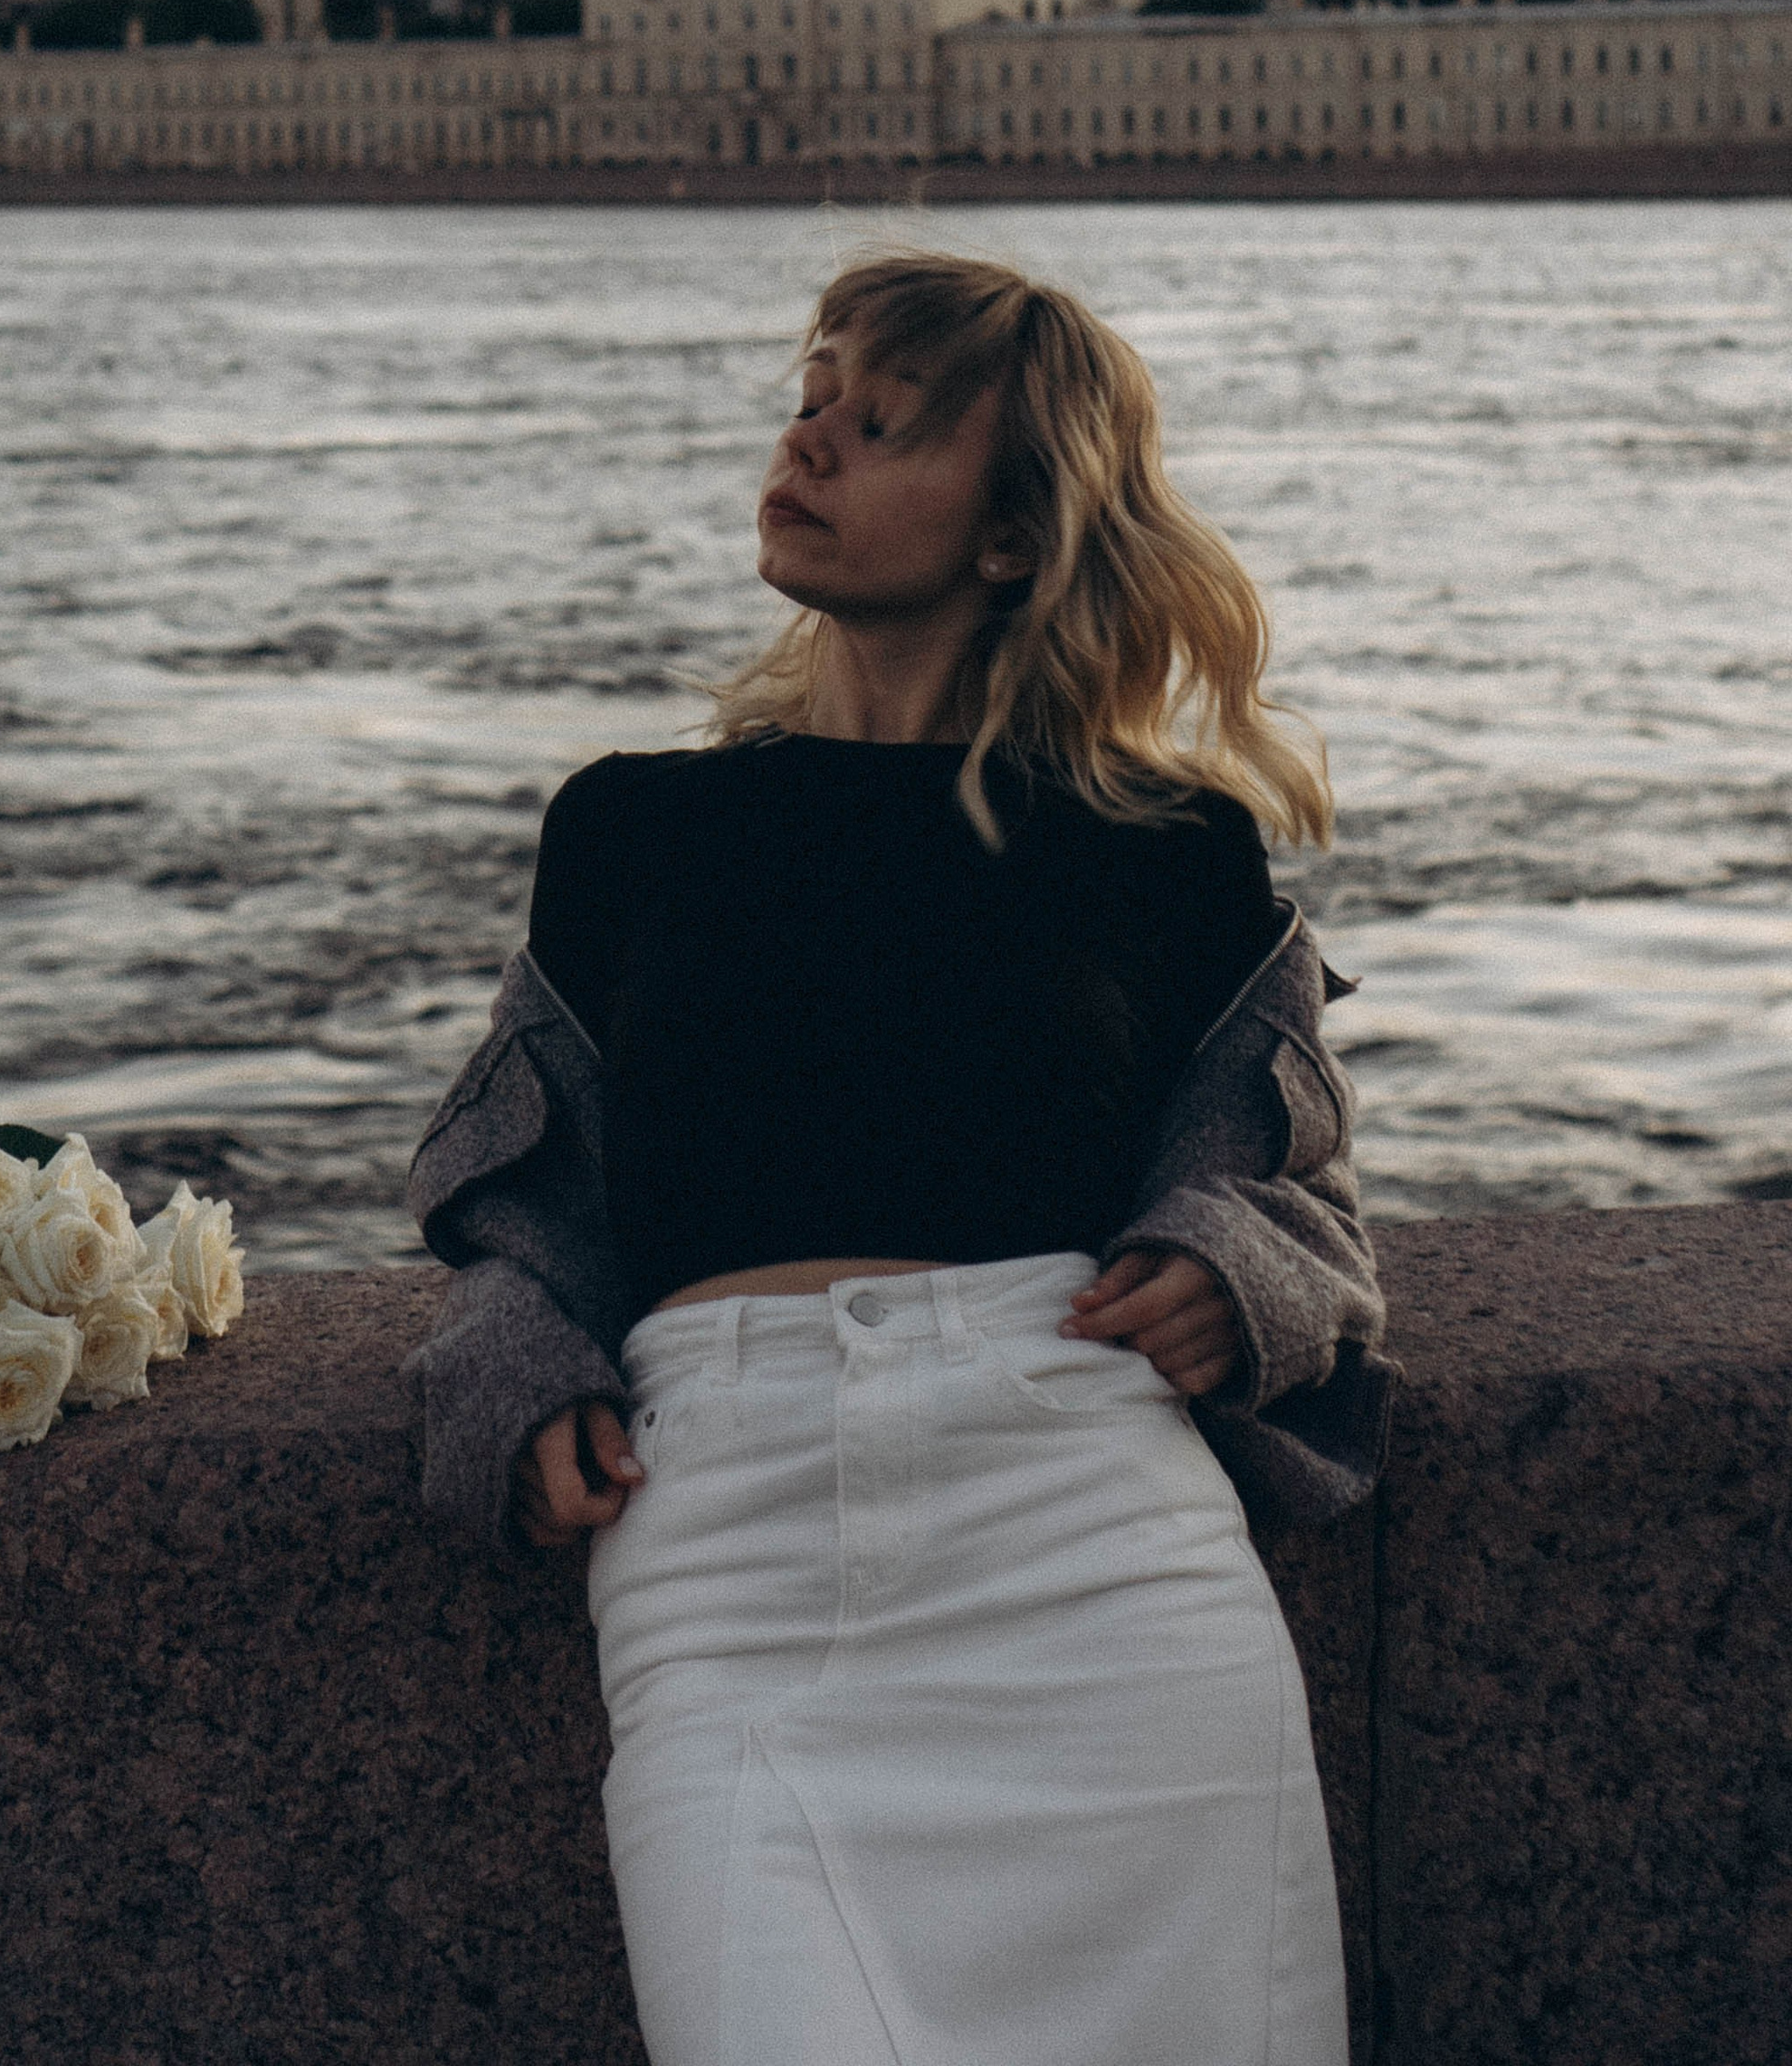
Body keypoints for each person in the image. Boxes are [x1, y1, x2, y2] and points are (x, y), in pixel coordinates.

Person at [405, 249, 1393, 2066]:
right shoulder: (630, 829)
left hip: (1088, 1536)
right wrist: (521, 1376)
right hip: (722, 1544)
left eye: (883, 425)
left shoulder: (1162, 847)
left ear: (1013, 536)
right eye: (812, 398)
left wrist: (1219, 1270)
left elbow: (1285, 1186)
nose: (811, 441)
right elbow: (523, 1199)